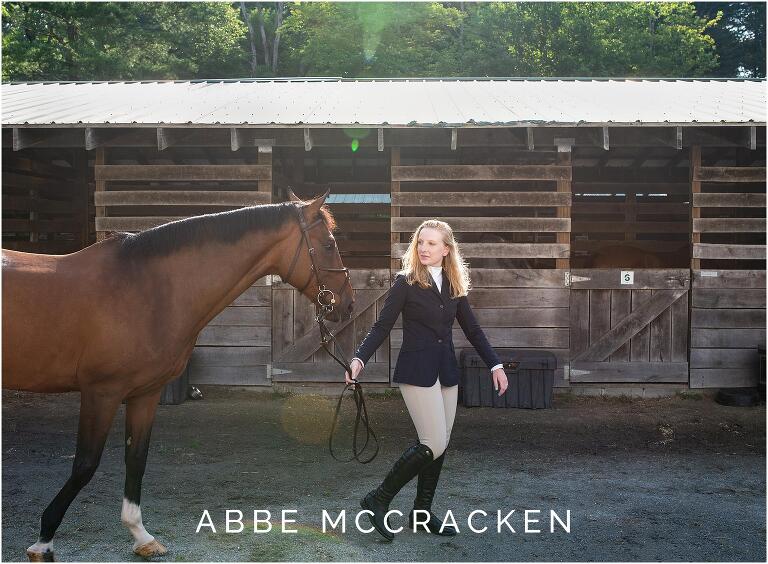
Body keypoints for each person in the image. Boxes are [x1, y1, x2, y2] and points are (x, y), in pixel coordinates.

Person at [345, 219, 508, 541]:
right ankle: (378, 498)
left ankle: (421, 512)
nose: (424, 248)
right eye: (421, 242)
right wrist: (359, 359)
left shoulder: (453, 284)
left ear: (447, 250)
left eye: (432, 243)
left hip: (446, 371)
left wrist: (495, 365)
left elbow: (472, 330)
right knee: (432, 441)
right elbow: (381, 326)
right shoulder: (405, 282)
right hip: (416, 371)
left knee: (441, 443)